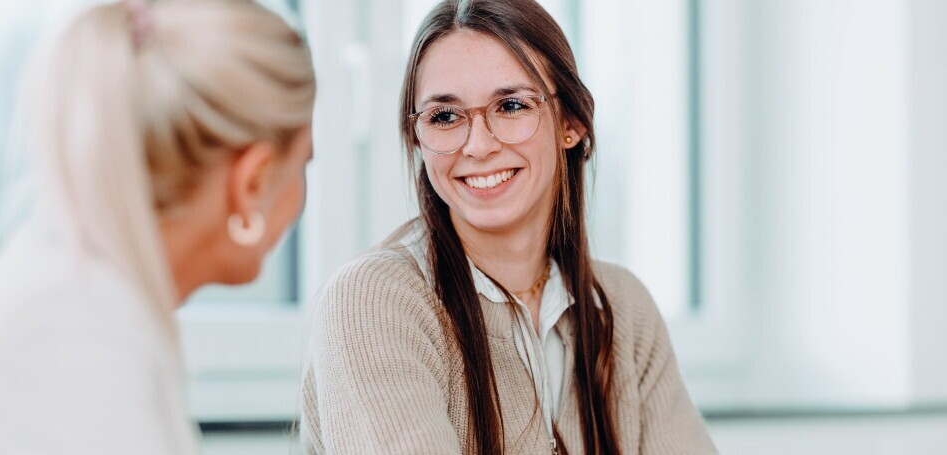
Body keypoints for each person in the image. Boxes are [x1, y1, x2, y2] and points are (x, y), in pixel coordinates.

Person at [0, 0, 314, 453]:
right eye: (303, 165)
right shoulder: (67, 320)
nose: (301, 195)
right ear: (252, 181)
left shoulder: (86, 295)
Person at [299, 0, 715, 453]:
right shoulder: (373, 302)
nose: (478, 145)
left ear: (570, 124)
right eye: (444, 116)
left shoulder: (621, 307)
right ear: (418, 137)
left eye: (511, 105)